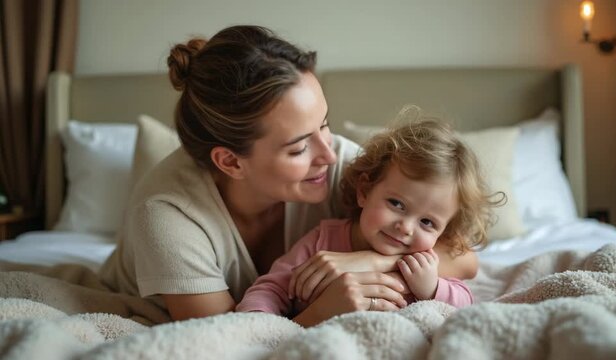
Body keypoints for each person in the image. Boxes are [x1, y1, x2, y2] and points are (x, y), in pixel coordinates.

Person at [99, 25, 479, 327]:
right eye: (299, 148)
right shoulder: (167, 215)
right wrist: (317, 314)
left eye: (325, 125)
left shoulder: (342, 167)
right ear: (231, 162)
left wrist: (367, 261)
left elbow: (463, 259)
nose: (328, 154)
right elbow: (224, 339)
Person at [236, 116, 498, 316]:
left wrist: (432, 289)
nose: (405, 227)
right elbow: (271, 289)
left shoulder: (425, 262)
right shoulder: (321, 243)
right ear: (364, 191)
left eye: (427, 222)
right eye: (396, 203)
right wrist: (257, 322)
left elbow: (466, 300)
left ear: (444, 231)